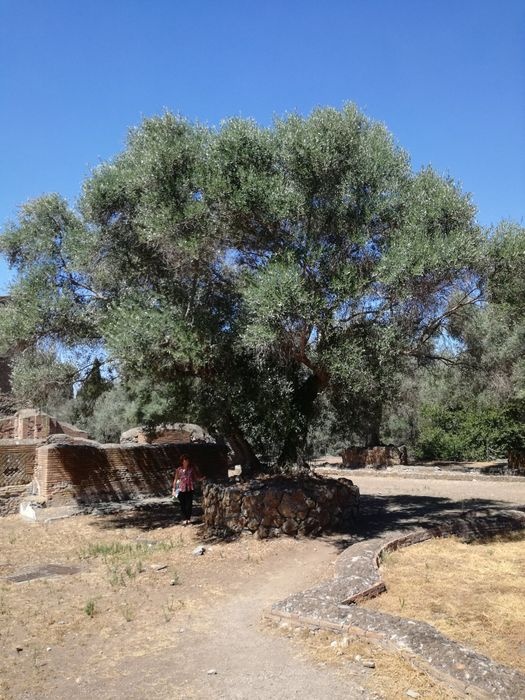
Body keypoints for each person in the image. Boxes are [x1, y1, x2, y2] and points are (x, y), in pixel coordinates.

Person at [172, 453, 204, 525]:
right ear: (182, 461)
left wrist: (201, 479)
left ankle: (188, 518)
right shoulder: (179, 469)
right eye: (185, 460)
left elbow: (196, 478)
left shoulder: (191, 469)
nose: (186, 462)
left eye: (187, 460)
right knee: (182, 505)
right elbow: (175, 479)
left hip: (189, 488)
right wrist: (173, 489)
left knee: (189, 504)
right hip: (181, 489)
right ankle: (184, 518)